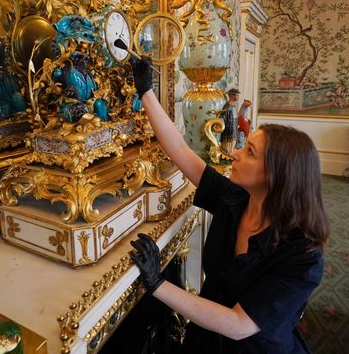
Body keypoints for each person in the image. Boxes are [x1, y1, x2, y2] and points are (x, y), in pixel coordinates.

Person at [128, 56, 330, 353]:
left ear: (274, 176)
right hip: (207, 337)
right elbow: (180, 150)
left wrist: (157, 283)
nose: (234, 153)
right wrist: (145, 91)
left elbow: (238, 324)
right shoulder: (236, 198)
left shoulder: (303, 256)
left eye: (249, 152)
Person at [218, 88, 240, 154]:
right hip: (228, 133)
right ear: (231, 96)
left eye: (238, 95)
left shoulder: (233, 106)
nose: (238, 97)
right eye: (236, 95)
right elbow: (223, 119)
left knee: (232, 149)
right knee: (227, 150)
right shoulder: (227, 107)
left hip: (234, 132)